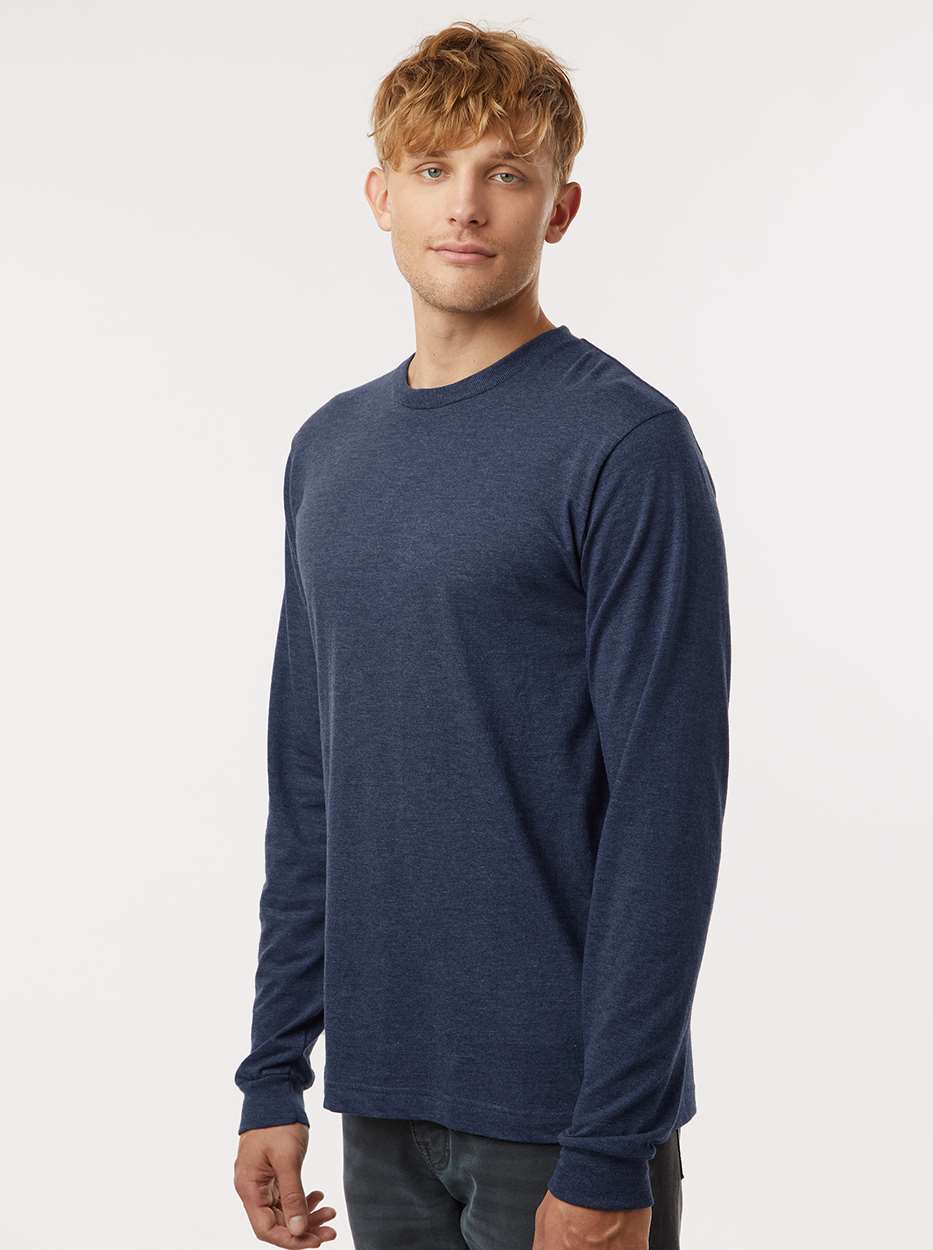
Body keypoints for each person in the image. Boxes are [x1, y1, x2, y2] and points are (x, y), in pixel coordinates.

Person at [232, 20, 731, 1250]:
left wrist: (610, 1143)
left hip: (564, 1114)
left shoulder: (624, 445)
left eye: (506, 173)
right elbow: (309, 780)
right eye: (432, 168)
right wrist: (273, 1071)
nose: (465, 205)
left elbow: (666, 808)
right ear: (380, 195)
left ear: (559, 208)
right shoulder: (329, 450)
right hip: (381, 1092)